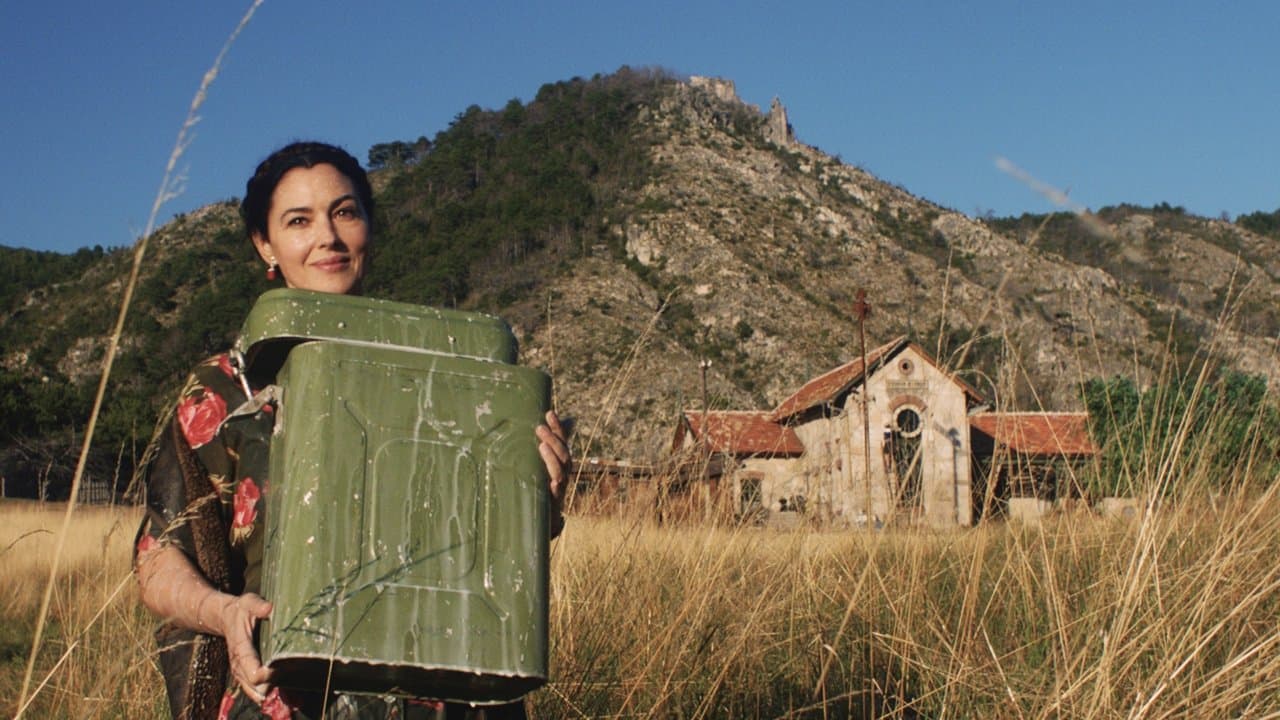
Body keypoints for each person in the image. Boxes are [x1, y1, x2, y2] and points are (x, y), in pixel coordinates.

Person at [134, 141, 570, 720]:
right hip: (286, 695)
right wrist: (224, 613)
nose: (328, 238)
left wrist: (539, 505)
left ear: (369, 226)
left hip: (448, 698)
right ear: (265, 244)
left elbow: (478, 558)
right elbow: (158, 557)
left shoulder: (448, 366)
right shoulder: (222, 390)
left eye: (345, 212)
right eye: (298, 220)